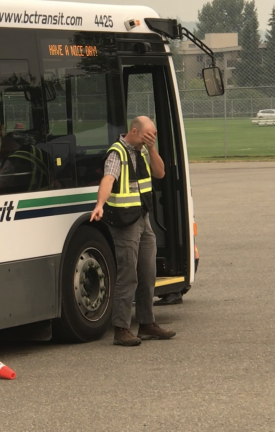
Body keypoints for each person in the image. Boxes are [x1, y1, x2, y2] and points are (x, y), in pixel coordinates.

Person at [90, 116, 176, 347]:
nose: (151, 138)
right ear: (135, 131)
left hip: (143, 219)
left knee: (148, 273)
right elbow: (108, 179)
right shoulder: (117, 153)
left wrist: (152, 148)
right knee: (128, 276)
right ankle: (121, 328)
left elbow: (160, 173)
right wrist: (99, 205)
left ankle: (147, 324)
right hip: (124, 223)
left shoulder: (145, 151)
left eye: (154, 135)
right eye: (149, 135)